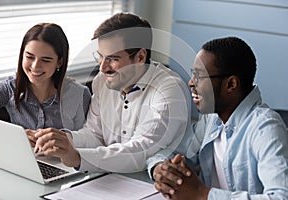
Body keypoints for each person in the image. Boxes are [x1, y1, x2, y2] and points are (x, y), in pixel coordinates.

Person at [33, 12, 191, 173]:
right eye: (101, 57)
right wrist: (61, 140)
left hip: (151, 184)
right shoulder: (102, 82)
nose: (102, 68)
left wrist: (78, 157)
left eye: (113, 59)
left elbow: (141, 151)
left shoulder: (170, 90)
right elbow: (95, 135)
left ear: (140, 56)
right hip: (110, 179)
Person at [149, 36, 288, 199]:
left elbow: (281, 196)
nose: (191, 83)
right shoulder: (211, 119)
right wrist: (160, 168)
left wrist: (202, 194)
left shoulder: (266, 128)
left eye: (199, 77)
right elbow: (169, 152)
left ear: (231, 84)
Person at [0, 23, 91, 146]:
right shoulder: (9, 88)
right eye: (29, 57)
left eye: (46, 60)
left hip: (62, 163)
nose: (35, 66)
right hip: (20, 159)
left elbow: (89, 139)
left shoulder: (79, 94)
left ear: (59, 62)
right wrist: (16, 136)